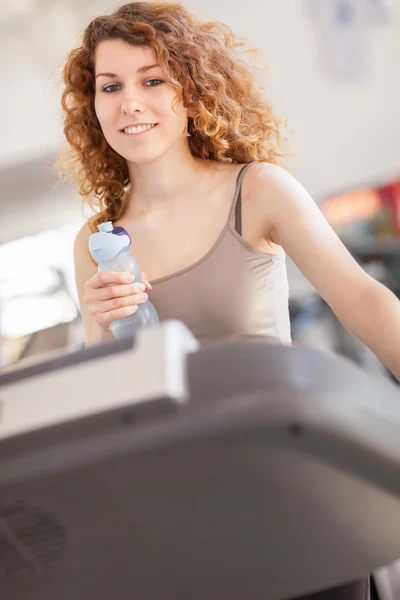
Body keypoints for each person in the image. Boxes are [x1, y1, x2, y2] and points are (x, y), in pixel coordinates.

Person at [57, 2, 399, 597]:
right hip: (185, 517)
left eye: (153, 79)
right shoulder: (96, 241)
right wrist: (95, 324)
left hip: (294, 491)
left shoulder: (258, 189)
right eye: (110, 86)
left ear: (189, 92)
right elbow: (106, 394)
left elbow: (366, 302)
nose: (129, 101)